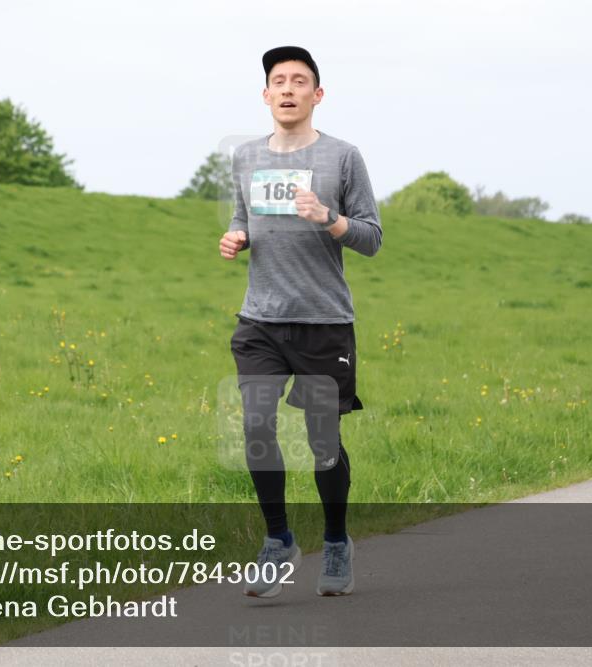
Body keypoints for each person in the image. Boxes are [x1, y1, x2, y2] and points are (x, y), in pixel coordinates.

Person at [219, 46, 382, 597]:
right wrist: (235, 238)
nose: (288, 89)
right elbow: (244, 219)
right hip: (260, 320)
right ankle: (278, 541)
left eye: (300, 81)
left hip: (322, 322)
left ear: (318, 94)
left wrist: (329, 218)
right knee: (257, 427)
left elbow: (372, 238)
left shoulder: (343, 157)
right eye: (278, 81)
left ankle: (336, 542)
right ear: (266, 95)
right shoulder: (245, 157)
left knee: (322, 443)